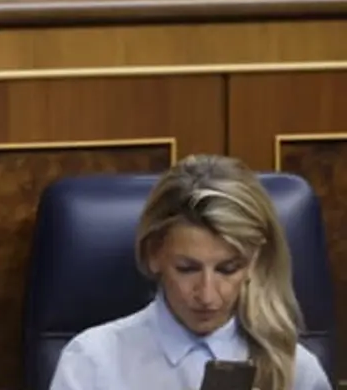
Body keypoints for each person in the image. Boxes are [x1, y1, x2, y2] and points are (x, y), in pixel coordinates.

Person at [50, 156, 331, 390]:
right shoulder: (91, 362)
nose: (207, 295)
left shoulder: (295, 370)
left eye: (227, 269)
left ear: (254, 262)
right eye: (187, 269)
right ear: (153, 255)